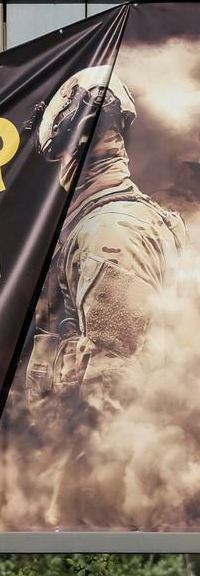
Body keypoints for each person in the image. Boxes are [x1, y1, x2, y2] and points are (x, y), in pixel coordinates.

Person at [24, 65, 186, 523]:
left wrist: (83, 501)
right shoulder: (107, 220)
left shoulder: (108, 232)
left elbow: (113, 391)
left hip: (109, 495)